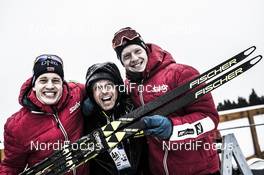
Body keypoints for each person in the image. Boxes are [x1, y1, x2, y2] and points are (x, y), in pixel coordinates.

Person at [111, 27, 220, 175]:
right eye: (127, 56)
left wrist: (173, 129)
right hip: (159, 169)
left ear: (146, 50)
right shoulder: (129, 87)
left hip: (198, 169)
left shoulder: (180, 73)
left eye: (137, 51)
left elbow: (210, 119)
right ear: (122, 63)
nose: (134, 59)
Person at [0, 54, 89, 175]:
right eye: (43, 80)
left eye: (56, 80)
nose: (50, 86)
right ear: (34, 85)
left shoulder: (76, 93)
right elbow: (11, 166)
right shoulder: (16, 126)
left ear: (62, 84)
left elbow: (97, 87)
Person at [82, 62, 148, 175]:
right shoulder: (86, 119)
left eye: (109, 85)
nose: (104, 91)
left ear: (118, 88)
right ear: (91, 94)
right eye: (97, 87)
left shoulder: (133, 109)